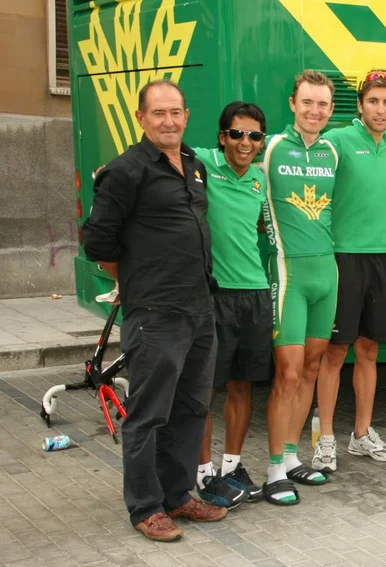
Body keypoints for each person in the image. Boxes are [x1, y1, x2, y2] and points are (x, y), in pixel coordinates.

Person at [83, 79, 227, 542]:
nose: (169, 121)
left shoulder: (193, 165)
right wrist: (134, 282)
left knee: (191, 408)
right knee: (148, 413)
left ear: (186, 116)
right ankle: (146, 507)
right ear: (142, 118)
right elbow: (98, 242)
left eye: (176, 113)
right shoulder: (125, 171)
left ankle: (178, 494)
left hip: (198, 308)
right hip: (155, 312)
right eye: (158, 113)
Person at [313, 70, 386, 466]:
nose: (380, 110)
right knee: (335, 352)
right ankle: (325, 438)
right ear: (360, 104)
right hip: (343, 257)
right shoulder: (337, 141)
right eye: (373, 101)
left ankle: (361, 434)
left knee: (369, 350)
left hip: (384, 255)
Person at [261, 70, 340, 504]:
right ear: (292, 104)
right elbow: (216, 156)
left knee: (312, 367)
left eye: (322, 104)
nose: (314, 111)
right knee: (287, 374)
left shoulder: (333, 149)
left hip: (326, 274)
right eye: (307, 102)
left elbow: (384, 139)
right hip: (288, 275)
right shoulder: (270, 147)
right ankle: (273, 469)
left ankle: (291, 456)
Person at [192, 102, 270, 508]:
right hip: (216, 295)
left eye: (254, 135)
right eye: (237, 134)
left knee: (243, 385)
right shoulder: (203, 164)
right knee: (206, 389)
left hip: (255, 293)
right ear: (222, 137)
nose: (246, 142)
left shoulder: (259, 179)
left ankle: (232, 466)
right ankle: (203, 474)